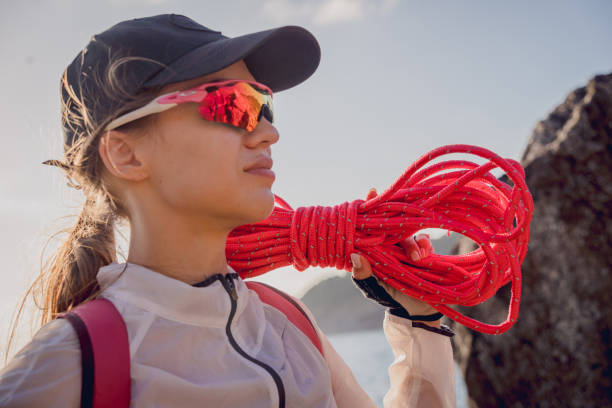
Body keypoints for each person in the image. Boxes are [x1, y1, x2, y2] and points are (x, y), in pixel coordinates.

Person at [0, 14, 455, 407]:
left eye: (265, 105)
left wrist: (420, 324)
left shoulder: (290, 325)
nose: (267, 134)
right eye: (233, 105)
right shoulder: (64, 368)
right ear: (125, 155)